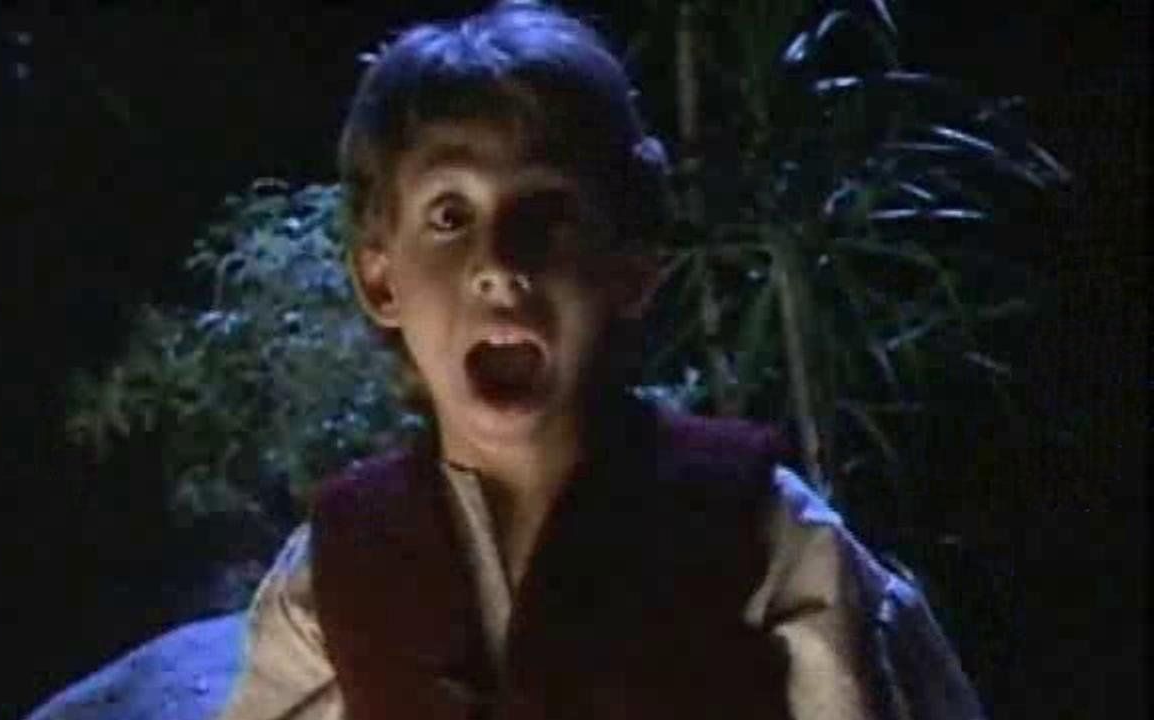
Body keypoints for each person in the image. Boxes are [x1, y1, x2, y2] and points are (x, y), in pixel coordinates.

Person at [218, 2, 985, 718]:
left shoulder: (766, 534)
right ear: (382, 281)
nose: (498, 265)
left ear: (632, 265)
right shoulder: (336, 571)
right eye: (449, 216)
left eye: (547, 212)